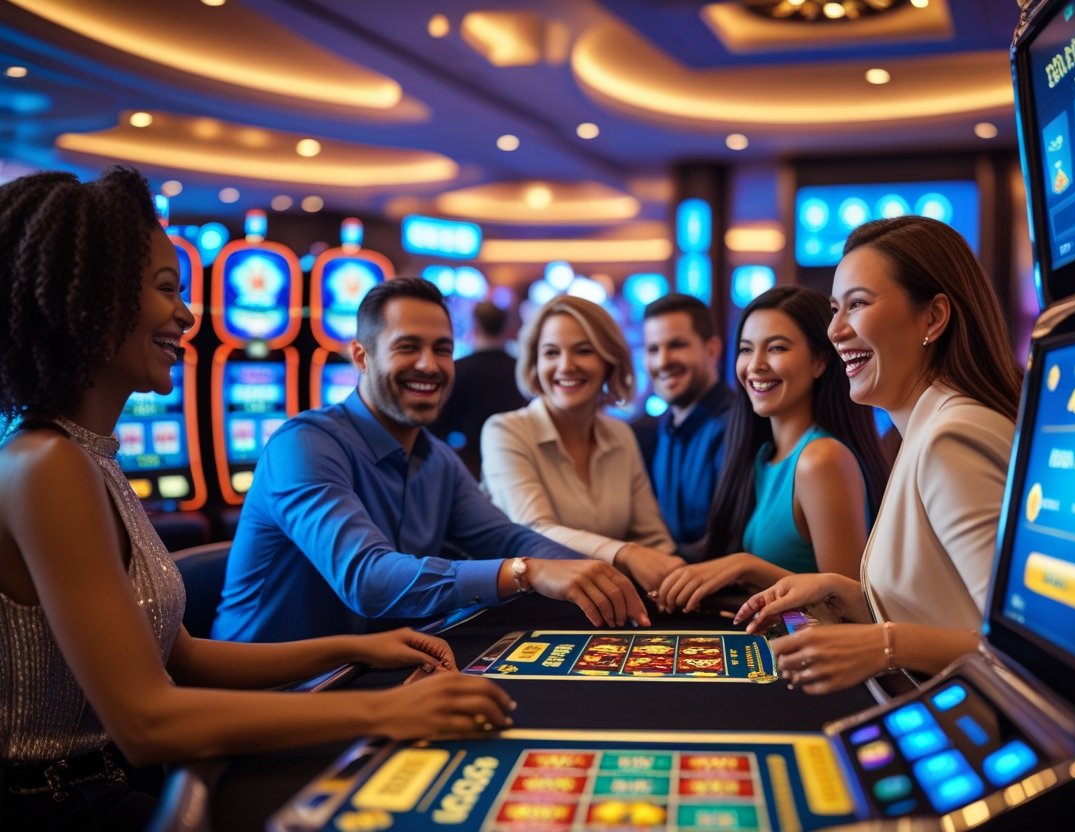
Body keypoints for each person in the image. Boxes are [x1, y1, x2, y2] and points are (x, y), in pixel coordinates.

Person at [0, 169, 515, 831]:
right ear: (91, 302)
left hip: (107, 785)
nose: (187, 314)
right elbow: (147, 721)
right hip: (62, 804)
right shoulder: (47, 464)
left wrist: (352, 651)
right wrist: (387, 710)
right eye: (166, 290)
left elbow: (182, 655)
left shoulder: (90, 454)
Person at [212, 278, 648, 643]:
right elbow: (368, 578)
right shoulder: (304, 444)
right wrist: (527, 573)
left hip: (371, 674)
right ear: (361, 356)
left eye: (442, 349)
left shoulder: (436, 459)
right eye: (407, 347)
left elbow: (508, 539)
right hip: (268, 693)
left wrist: (590, 574)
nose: (429, 364)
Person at [736, 216, 1024, 694]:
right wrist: (841, 592)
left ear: (933, 318)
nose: (834, 329)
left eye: (858, 304)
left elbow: (1019, 647)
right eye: (834, 308)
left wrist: (884, 644)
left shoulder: (953, 436)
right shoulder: (923, 429)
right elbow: (939, 606)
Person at [656, 287, 889, 613]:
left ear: (820, 361)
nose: (755, 365)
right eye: (746, 350)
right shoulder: (763, 454)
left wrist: (746, 567)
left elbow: (850, 609)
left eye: (777, 348)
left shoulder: (821, 459)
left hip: (819, 656)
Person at [480, 295, 684, 593]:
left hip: (612, 605)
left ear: (609, 360)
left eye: (583, 351)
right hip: (529, 610)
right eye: (551, 353)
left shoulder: (620, 434)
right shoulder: (504, 430)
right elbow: (533, 532)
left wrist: (674, 579)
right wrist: (626, 553)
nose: (566, 366)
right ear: (535, 363)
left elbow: (653, 540)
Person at [641, 293, 732, 555]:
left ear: (712, 349)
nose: (662, 361)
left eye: (677, 345)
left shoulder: (736, 426)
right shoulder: (666, 427)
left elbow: (725, 544)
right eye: (653, 349)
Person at [430, 299, 528, 480]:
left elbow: (436, 430)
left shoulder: (456, 370)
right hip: (516, 466)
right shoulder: (522, 371)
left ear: (474, 326)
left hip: (464, 471)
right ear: (506, 327)